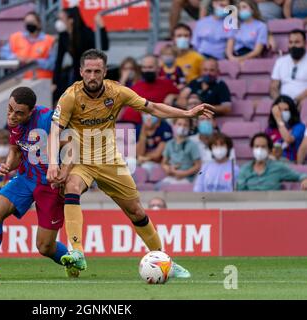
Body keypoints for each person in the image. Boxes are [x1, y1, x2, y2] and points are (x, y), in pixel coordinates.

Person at [47, 48, 215, 277]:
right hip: (81, 160)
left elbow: (153, 107)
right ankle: (77, 252)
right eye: (88, 71)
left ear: (105, 71)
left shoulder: (118, 92)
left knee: (136, 211)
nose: (93, 76)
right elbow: (55, 129)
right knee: (72, 187)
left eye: (98, 71)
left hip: (110, 161)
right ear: (81, 72)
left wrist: (187, 114)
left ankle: (165, 261)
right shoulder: (70, 96)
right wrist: (52, 164)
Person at [0, 87, 71, 280]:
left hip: (50, 185)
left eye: (19, 113)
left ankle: (70, 259)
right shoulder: (14, 121)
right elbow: (16, 151)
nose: (12, 115)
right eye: (10, 109)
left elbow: (73, 143)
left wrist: (64, 171)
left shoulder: (48, 119)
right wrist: (8, 165)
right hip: (26, 178)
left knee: (44, 247)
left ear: (31, 112)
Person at [53, 6, 109, 102]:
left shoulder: (86, 33)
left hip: (91, 71)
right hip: (76, 71)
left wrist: (102, 27)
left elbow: (104, 46)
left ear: (71, 20)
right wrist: (54, 82)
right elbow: (59, 60)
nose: (58, 22)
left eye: (61, 19)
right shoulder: (63, 36)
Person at [237, 133, 307, 190]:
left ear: (269, 150)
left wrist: (305, 179)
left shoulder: (278, 167)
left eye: (263, 147)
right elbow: (240, 191)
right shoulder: (245, 169)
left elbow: (299, 175)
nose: (259, 150)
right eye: (257, 146)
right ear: (252, 148)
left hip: (273, 204)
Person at [0, 11, 55, 80]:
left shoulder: (49, 40)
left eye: (32, 22)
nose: (29, 24)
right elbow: (3, 53)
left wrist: (35, 62)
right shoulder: (15, 37)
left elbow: (53, 64)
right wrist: (16, 58)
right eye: (27, 22)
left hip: (42, 81)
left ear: (39, 24)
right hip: (19, 81)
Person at [159, 118, 202, 188]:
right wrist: (167, 168)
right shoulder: (169, 144)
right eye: (179, 124)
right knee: (158, 187)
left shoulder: (192, 145)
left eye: (185, 125)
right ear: (174, 125)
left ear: (189, 128)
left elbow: (198, 165)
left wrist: (184, 173)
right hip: (172, 177)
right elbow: (164, 162)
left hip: (186, 179)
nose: (182, 127)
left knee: (173, 189)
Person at [270, 29, 307, 104]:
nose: (293, 45)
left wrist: (296, 101)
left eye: (297, 42)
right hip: (284, 103)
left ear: (305, 44)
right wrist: (279, 101)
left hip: (303, 102)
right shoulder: (280, 61)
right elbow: (273, 87)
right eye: (290, 42)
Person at [265, 95, 305, 162]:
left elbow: (288, 139)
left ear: (292, 111)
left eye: (286, 110)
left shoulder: (299, 127)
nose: (282, 113)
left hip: (290, 164)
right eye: (279, 110)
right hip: (272, 164)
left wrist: (278, 119)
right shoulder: (269, 129)